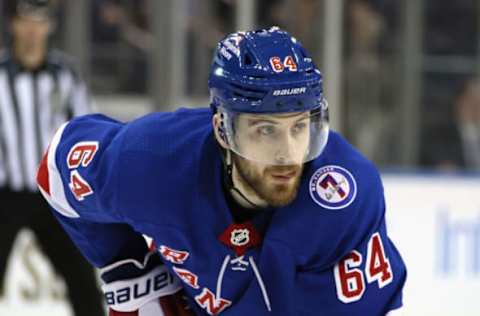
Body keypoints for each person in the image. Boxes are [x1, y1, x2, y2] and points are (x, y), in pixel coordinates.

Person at [37, 27, 406, 315]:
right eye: (265, 130)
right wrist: (130, 268)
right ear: (222, 130)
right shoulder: (154, 161)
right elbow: (57, 165)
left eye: (299, 127)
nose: (287, 153)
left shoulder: (343, 200)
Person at [0, 0, 105, 315]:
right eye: (25, 21)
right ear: (13, 25)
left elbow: (86, 131)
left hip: (53, 196)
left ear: (50, 26)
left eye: (40, 21)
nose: (33, 30)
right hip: (5, 195)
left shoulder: (66, 76)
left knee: (82, 283)